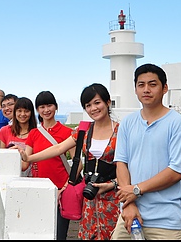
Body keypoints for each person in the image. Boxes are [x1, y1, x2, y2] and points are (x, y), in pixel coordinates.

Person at [19, 83, 120, 240]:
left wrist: (113, 184)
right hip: (90, 197)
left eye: (97, 103)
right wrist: (29, 158)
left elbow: (130, 166)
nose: (93, 108)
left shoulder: (121, 130)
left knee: (115, 235)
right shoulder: (84, 131)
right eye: (88, 105)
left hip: (114, 196)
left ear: (108, 102)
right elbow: (58, 148)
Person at [111, 63, 181, 240]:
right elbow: (121, 163)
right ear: (135, 89)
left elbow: (177, 171)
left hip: (166, 221)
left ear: (164, 88)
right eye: (141, 85)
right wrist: (129, 203)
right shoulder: (127, 123)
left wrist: (137, 190)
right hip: (129, 216)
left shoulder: (177, 123)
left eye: (152, 84)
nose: (146, 89)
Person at [18, 91, 74, 240]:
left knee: (60, 234)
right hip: (38, 189)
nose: (46, 110)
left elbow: (78, 164)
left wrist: (66, 187)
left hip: (61, 189)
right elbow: (25, 163)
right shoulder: (33, 133)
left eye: (49, 105)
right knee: (39, 232)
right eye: (42, 107)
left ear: (56, 107)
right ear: (37, 110)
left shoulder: (68, 132)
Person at [0, 97, 38, 176]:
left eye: (26, 111)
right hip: (10, 176)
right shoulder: (4, 131)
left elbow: (25, 165)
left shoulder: (36, 133)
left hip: (32, 178)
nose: (22, 114)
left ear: (31, 113)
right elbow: (2, 155)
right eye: (19, 111)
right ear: (15, 112)